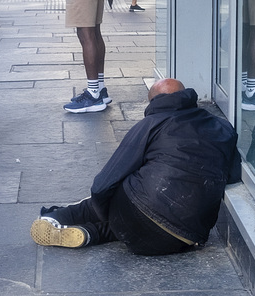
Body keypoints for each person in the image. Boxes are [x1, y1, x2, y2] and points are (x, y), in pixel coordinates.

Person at [30, 78, 241, 255]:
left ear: (154, 103)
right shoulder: (223, 126)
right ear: (187, 96)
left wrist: (105, 208)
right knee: (137, 225)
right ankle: (92, 234)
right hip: (184, 239)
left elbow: (104, 183)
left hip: (138, 216)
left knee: (116, 193)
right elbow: (233, 175)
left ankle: (55, 217)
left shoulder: (152, 123)